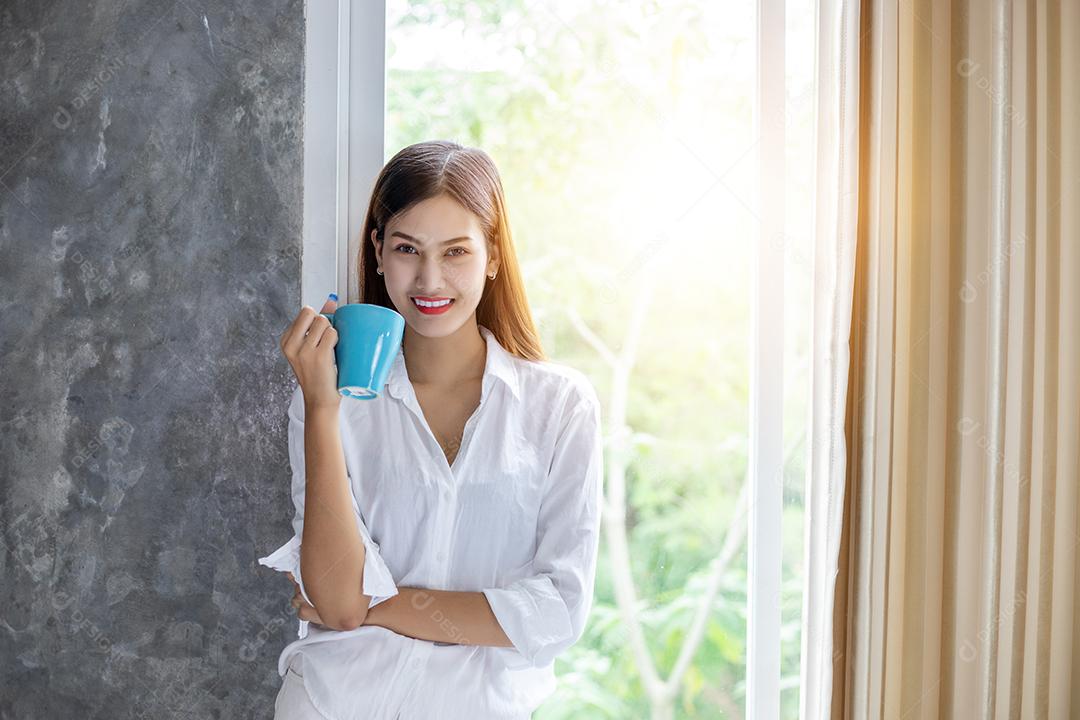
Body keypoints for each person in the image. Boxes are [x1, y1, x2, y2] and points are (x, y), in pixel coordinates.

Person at [259, 140, 605, 719]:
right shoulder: (330, 402)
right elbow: (338, 603)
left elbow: (556, 614)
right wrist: (321, 408)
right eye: (407, 249)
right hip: (332, 704)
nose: (429, 279)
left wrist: (380, 603)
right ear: (377, 252)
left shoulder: (560, 407)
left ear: (493, 255)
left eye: (455, 252)